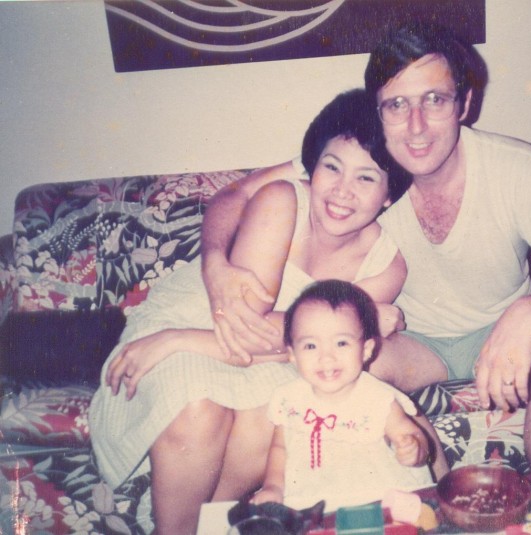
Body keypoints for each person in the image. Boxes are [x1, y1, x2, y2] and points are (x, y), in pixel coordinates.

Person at [199, 21, 531, 474]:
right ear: (377, 111)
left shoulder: (519, 169)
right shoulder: (359, 169)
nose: (416, 127)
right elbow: (235, 197)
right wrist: (214, 264)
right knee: (328, 369)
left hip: (500, 328)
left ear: (465, 103)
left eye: (435, 100)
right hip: (407, 339)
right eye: (397, 105)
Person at [89, 89, 447, 535]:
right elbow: (245, 319)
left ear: (388, 196)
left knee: (276, 409)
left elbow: (304, 343)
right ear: (311, 170)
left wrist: (176, 343)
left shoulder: (385, 265)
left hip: (257, 350)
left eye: (366, 179)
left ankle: (204, 524)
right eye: (331, 168)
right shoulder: (281, 200)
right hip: (203, 316)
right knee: (199, 404)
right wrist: (174, 335)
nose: (342, 192)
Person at [251, 280, 433, 512]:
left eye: (341, 343)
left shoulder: (378, 398)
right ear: (293, 355)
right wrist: (273, 487)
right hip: (313, 497)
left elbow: (411, 435)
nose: (326, 357)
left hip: (375, 496)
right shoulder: (289, 398)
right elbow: (280, 448)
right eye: (310, 346)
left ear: (366, 350)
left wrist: (413, 449)